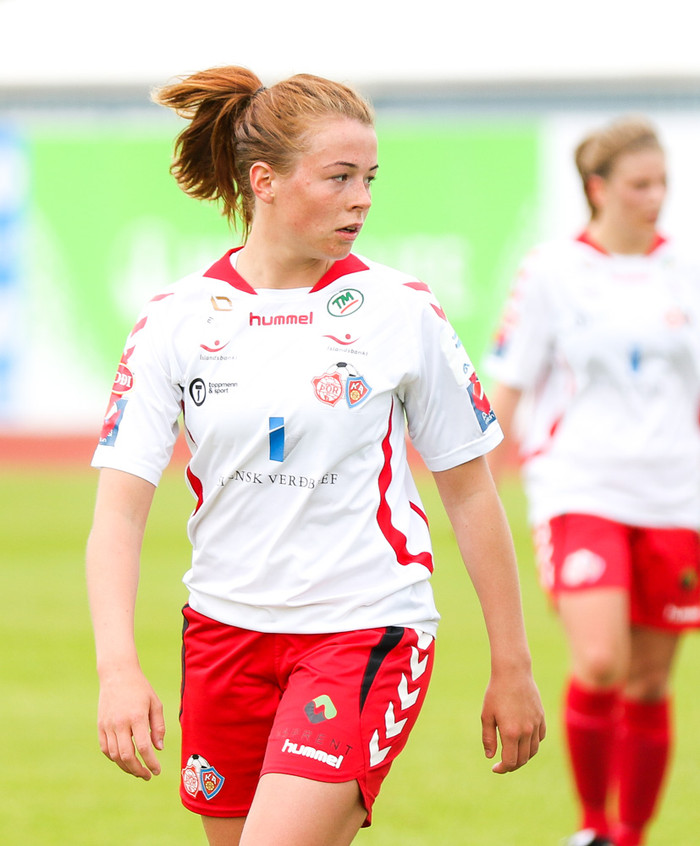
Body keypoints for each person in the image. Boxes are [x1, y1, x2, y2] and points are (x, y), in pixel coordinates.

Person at [85, 65, 545, 846]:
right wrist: (117, 668)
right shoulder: (175, 320)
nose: (361, 198)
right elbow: (118, 516)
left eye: (369, 178)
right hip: (223, 636)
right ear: (264, 181)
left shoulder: (401, 311)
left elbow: (470, 492)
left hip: (364, 630)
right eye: (339, 177)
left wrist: (513, 662)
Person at [485, 116, 700, 846]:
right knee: (602, 661)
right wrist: (478, 490)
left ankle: (630, 836)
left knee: (649, 681)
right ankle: (591, 827)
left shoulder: (687, 268)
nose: (655, 197)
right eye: (639, 185)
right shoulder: (552, 271)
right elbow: (509, 385)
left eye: (662, 183)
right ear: (598, 188)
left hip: (674, 497)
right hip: (580, 489)